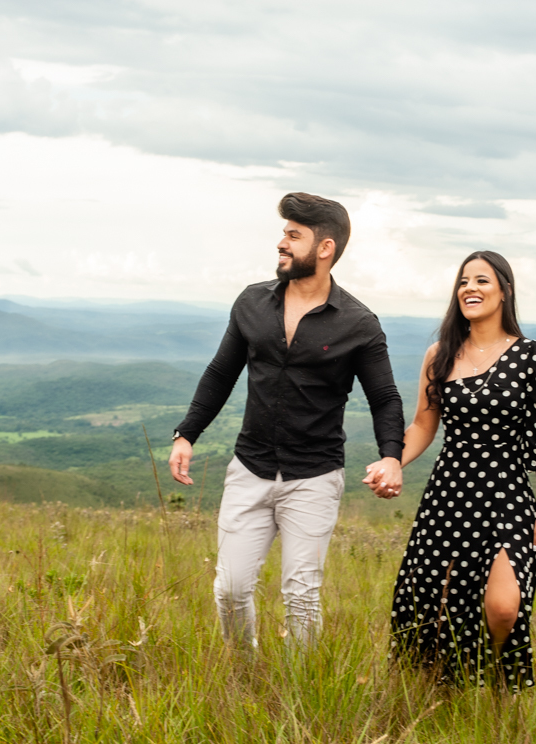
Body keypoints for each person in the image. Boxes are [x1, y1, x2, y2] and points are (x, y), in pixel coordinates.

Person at [170, 192, 405, 649]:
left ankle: (299, 691)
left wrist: (391, 457)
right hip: (249, 469)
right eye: (283, 233)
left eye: (293, 235)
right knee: (231, 589)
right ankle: (244, 671)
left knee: (301, 596)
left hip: (314, 476)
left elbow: (384, 397)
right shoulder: (252, 302)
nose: (281, 243)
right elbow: (221, 373)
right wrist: (187, 434)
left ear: (324, 248)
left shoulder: (359, 323)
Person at [381, 250, 536, 690]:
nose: (470, 289)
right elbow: (425, 424)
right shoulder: (440, 354)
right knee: (436, 601)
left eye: (482, 281)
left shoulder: (531, 356)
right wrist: (393, 460)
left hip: (506, 496)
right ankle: (445, 689)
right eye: (464, 281)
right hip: (448, 494)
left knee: (504, 606)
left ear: (504, 291)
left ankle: (499, 681)